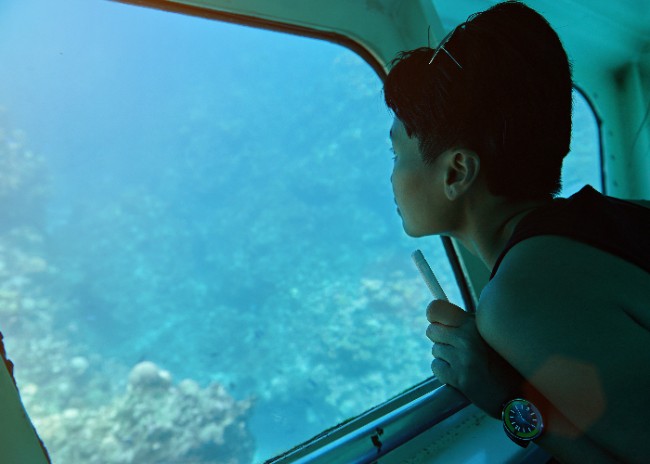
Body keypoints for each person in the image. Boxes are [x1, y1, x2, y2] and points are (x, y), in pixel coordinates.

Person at [383, 1, 650, 463]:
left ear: (456, 172)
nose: (392, 177)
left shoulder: (519, 299)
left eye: (397, 154)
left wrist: (505, 398)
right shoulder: (626, 214)